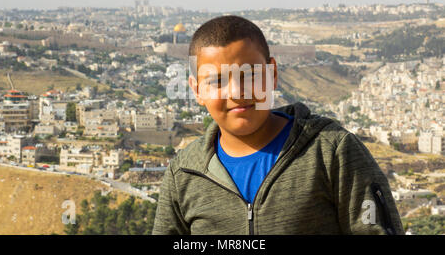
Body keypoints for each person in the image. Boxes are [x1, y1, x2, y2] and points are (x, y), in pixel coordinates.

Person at [152, 15, 404, 235]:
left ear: (272, 74)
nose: (238, 92)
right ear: (196, 90)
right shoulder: (183, 174)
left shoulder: (331, 152)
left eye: (249, 75)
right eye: (217, 81)